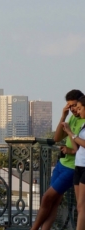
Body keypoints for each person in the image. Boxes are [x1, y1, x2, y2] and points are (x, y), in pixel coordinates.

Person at [30, 89, 85, 230]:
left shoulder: (83, 121)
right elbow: (56, 138)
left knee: (47, 198)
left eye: (75, 106)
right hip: (61, 164)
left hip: (73, 167)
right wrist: (63, 116)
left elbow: (78, 148)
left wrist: (70, 149)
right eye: (70, 106)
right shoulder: (72, 117)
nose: (73, 109)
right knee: (54, 202)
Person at [61, 96, 85, 229]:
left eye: (80, 108)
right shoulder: (82, 125)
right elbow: (77, 147)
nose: (78, 111)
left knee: (82, 206)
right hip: (79, 166)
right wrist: (68, 131)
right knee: (79, 205)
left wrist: (72, 133)